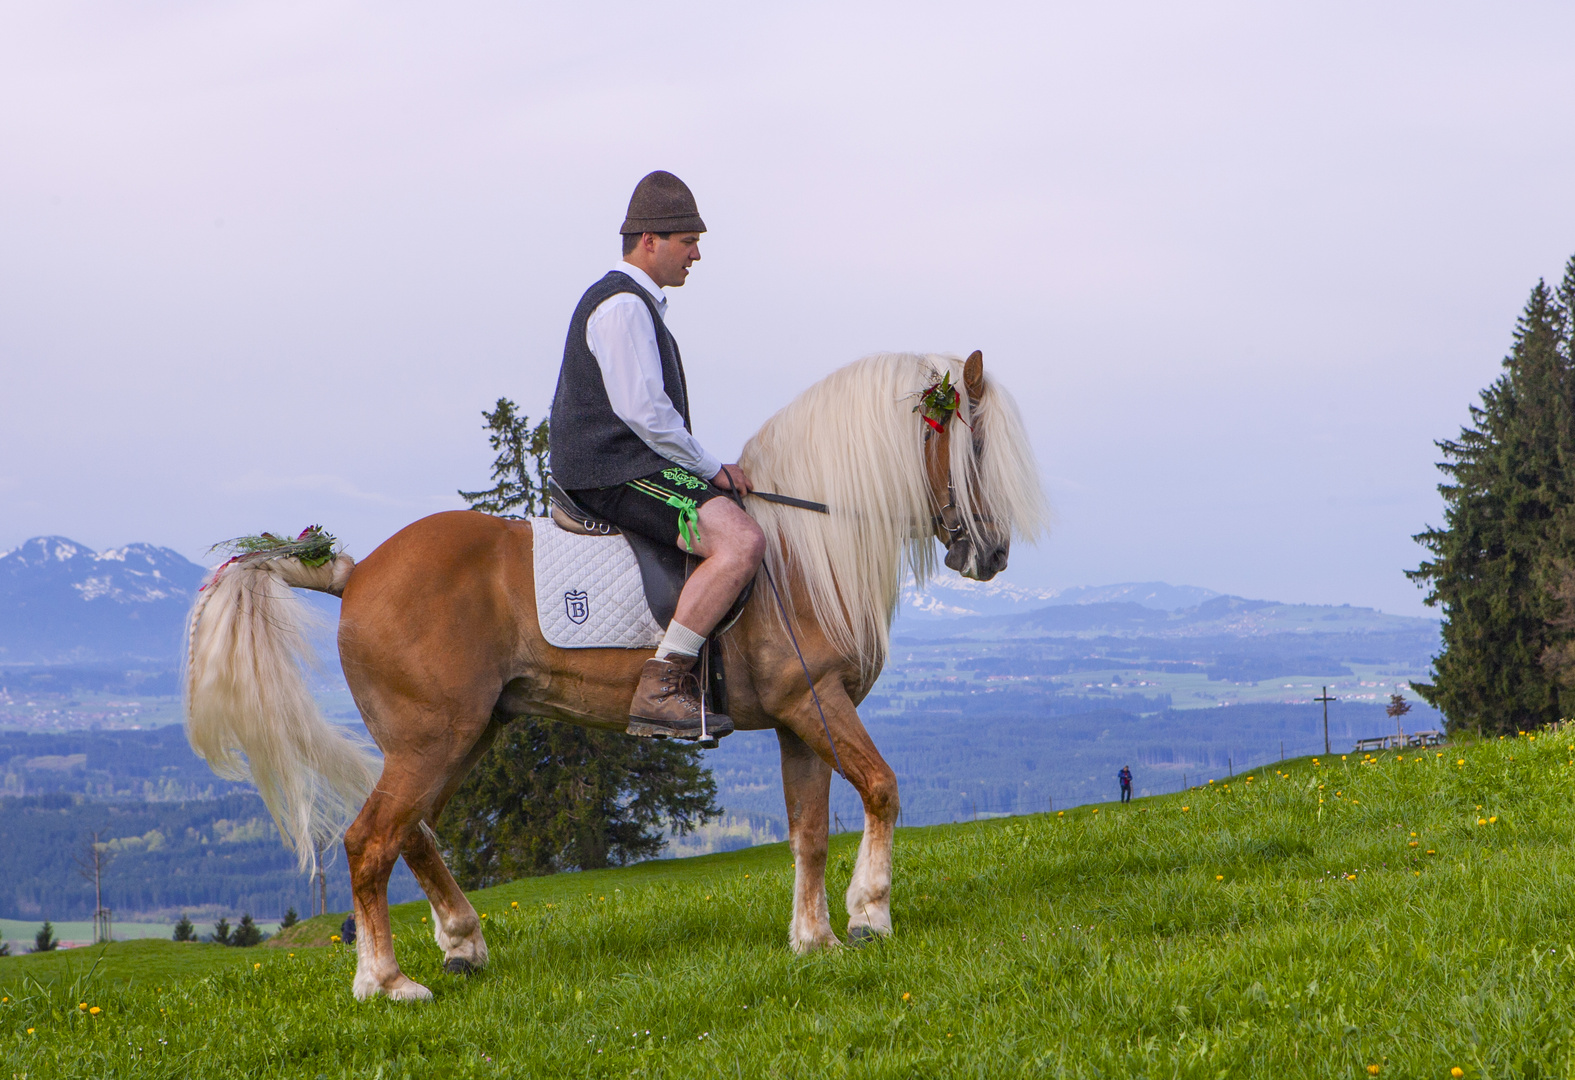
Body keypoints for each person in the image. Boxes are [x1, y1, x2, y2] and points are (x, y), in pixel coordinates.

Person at [548, 171, 766, 740]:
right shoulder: (623, 306)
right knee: (741, 540)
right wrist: (711, 467)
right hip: (614, 470)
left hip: (623, 465)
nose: (696, 253)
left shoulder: (634, 303)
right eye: (687, 240)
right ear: (649, 239)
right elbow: (644, 412)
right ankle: (663, 683)